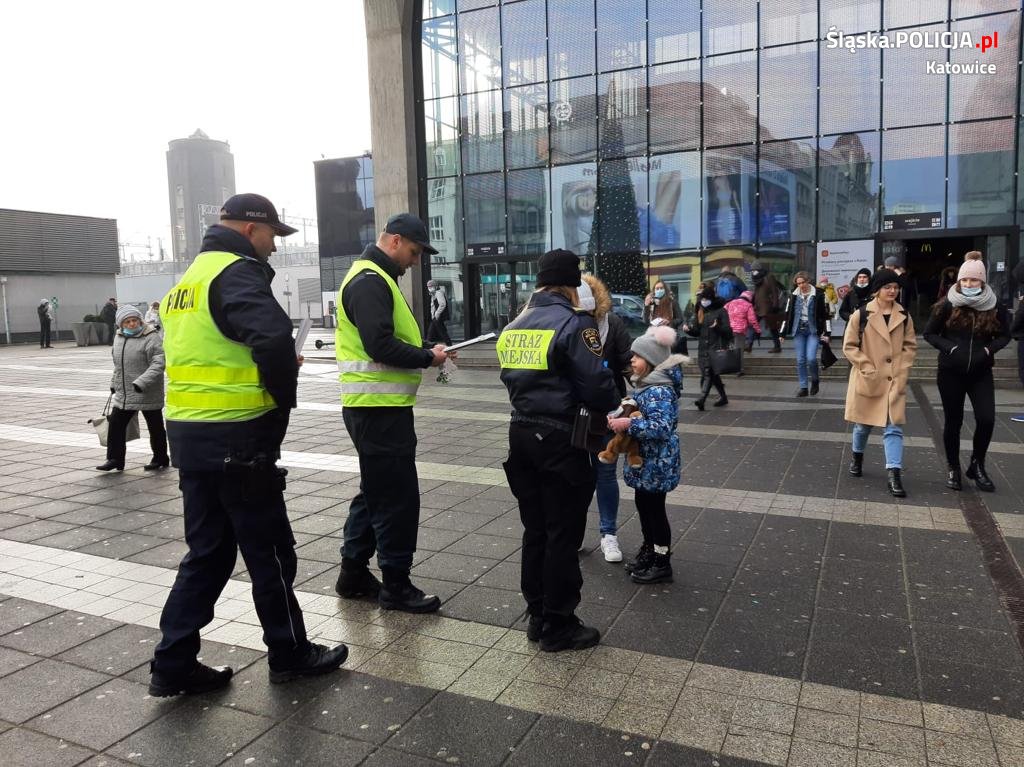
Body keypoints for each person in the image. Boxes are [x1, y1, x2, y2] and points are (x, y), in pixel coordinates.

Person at [150, 193, 347, 697]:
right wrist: (281, 398)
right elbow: (273, 338)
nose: (274, 249)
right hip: (239, 436)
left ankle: (172, 664)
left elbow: (218, 347)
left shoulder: (187, 281)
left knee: (207, 554)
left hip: (191, 437)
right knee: (270, 552)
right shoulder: (236, 271)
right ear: (249, 230)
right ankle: (290, 652)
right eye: (271, 237)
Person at [498, 249, 619, 653]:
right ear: (572, 286)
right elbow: (598, 388)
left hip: (521, 434)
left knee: (535, 530)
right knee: (562, 533)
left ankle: (537, 615)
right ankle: (559, 623)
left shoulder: (514, 325)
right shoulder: (575, 323)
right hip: (561, 439)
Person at [334, 213, 452, 613]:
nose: (415, 262)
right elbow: (379, 345)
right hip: (378, 409)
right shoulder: (370, 281)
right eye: (415, 252)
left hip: (376, 408)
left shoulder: (373, 278)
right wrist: (427, 357)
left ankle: (352, 574)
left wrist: (424, 348)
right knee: (397, 498)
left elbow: (385, 338)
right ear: (396, 241)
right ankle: (396, 586)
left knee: (376, 492)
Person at [923, 251, 1012, 492]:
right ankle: (953, 467)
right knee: (954, 422)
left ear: (982, 281)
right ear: (958, 281)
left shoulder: (994, 305)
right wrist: (950, 348)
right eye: (964, 280)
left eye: (973, 280)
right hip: (951, 372)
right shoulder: (947, 304)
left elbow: (1006, 334)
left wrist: (989, 349)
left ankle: (977, 464)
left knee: (987, 419)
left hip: (981, 373)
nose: (968, 284)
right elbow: (929, 334)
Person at [610, 326, 684, 584]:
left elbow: (661, 427)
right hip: (647, 464)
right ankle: (649, 549)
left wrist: (629, 425)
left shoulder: (660, 390)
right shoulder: (647, 387)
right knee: (644, 507)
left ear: (652, 361)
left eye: (638, 356)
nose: (632, 359)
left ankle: (662, 561)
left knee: (655, 511)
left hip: (657, 462)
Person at [843, 269, 917, 498]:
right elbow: (849, 345)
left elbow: (910, 346)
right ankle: (857, 456)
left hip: (894, 380)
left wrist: (902, 370)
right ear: (878, 289)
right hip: (869, 378)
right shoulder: (862, 314)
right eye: (888, 287)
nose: (893, 291)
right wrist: (866, 366)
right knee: (863, 425)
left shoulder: (904, 315)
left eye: (896, 287)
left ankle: (894, 474)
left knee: (893, 427)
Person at [578, 274, 632, 563]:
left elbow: (628, 362)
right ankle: (574, 532)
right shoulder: (564, 323)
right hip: (573, 412)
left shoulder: (612, 324)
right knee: (575, 474)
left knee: (606, 473)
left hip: (608, 411)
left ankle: (608, 534)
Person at [95, 305, 169, 473]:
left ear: (140, 320)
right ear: (121, 324)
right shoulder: (119, 337)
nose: (132, 324)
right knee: (115, 425)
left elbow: (159, 363)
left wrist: (142, 382)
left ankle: (160, 458)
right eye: (127, 321)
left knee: (155, 426)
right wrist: (114, 383)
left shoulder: (151, 337)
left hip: (146, 390)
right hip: (125, 392)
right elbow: (118, 365)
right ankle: (115, 459)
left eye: (134, 320)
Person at [683, 282, 733, 410]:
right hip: (703, 350)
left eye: (706, 299)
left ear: (711, 298)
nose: (703, 301)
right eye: (702, 299)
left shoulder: (721, 311)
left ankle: (702, 399)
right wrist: (688, 330)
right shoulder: (701, 312)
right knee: (712, 375)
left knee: (708, 373)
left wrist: (717, 327)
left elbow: (728, 332)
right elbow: (698, 332)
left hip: (715, 349)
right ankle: (723, 397)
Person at [782, 271, 829, 397]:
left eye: (803, 282)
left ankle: (815, 380)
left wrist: (827, 333)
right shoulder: (793, 295)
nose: (801, 285)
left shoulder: (819, 294)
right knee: (800, 360)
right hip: (799, 330)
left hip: (813, 330)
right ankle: (803, 387)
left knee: (811, 358)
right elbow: (787, 314)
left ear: (808, 281)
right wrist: (782, 333)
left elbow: (826, 315)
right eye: (798, 283)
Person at [749, 261, 784, 353]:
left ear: (760, 270)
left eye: (755, 270)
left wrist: (775, 305)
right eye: (752, 271)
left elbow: (774, 292)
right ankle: (749, 345)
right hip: (758, 307)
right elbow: (756, 293)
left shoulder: (768, 277)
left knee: (773, 328)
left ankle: (777, 346)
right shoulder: (756, 279)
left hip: (768, 307)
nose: (753, 272)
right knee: (753, 325)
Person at [726, 289, 760, 354]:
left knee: (731, 350)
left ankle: (731, 363)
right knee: (739, 352)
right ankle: (738, 364)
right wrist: (758, 330)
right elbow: (753, 320)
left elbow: (723, 311)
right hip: (740, 331)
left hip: (729, 329)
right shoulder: (748, 305)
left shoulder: (731, 302)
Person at [425, 279, 451, 345]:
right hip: (435, 317)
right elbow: (432, 306)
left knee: (431, 333)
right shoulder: (433, 294)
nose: (429, 288)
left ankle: (427, 347)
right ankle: (449, 345)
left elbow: (442, 304)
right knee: (441, 332)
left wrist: (436, 314)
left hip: (437, 317)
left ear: (436, 286)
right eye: (428, 287)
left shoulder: (438, 293)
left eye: (431, 286)